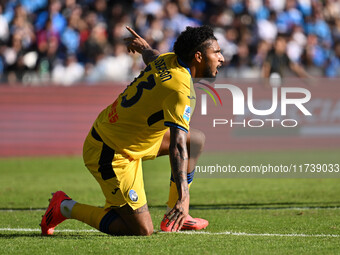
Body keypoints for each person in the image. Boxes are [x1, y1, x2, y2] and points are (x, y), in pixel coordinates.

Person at [40, 25, 224, 236]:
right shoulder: (181, 90)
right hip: (110, 151)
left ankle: (176, 216)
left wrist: (145, 47)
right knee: (141, 229)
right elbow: (177, 147)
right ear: (198, 57)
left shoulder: (169, 60)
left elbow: (153, 57)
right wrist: (185, 198)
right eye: (217, 52)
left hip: (130, 138)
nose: (221, 59)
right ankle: (64, 206)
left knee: (196, 140)